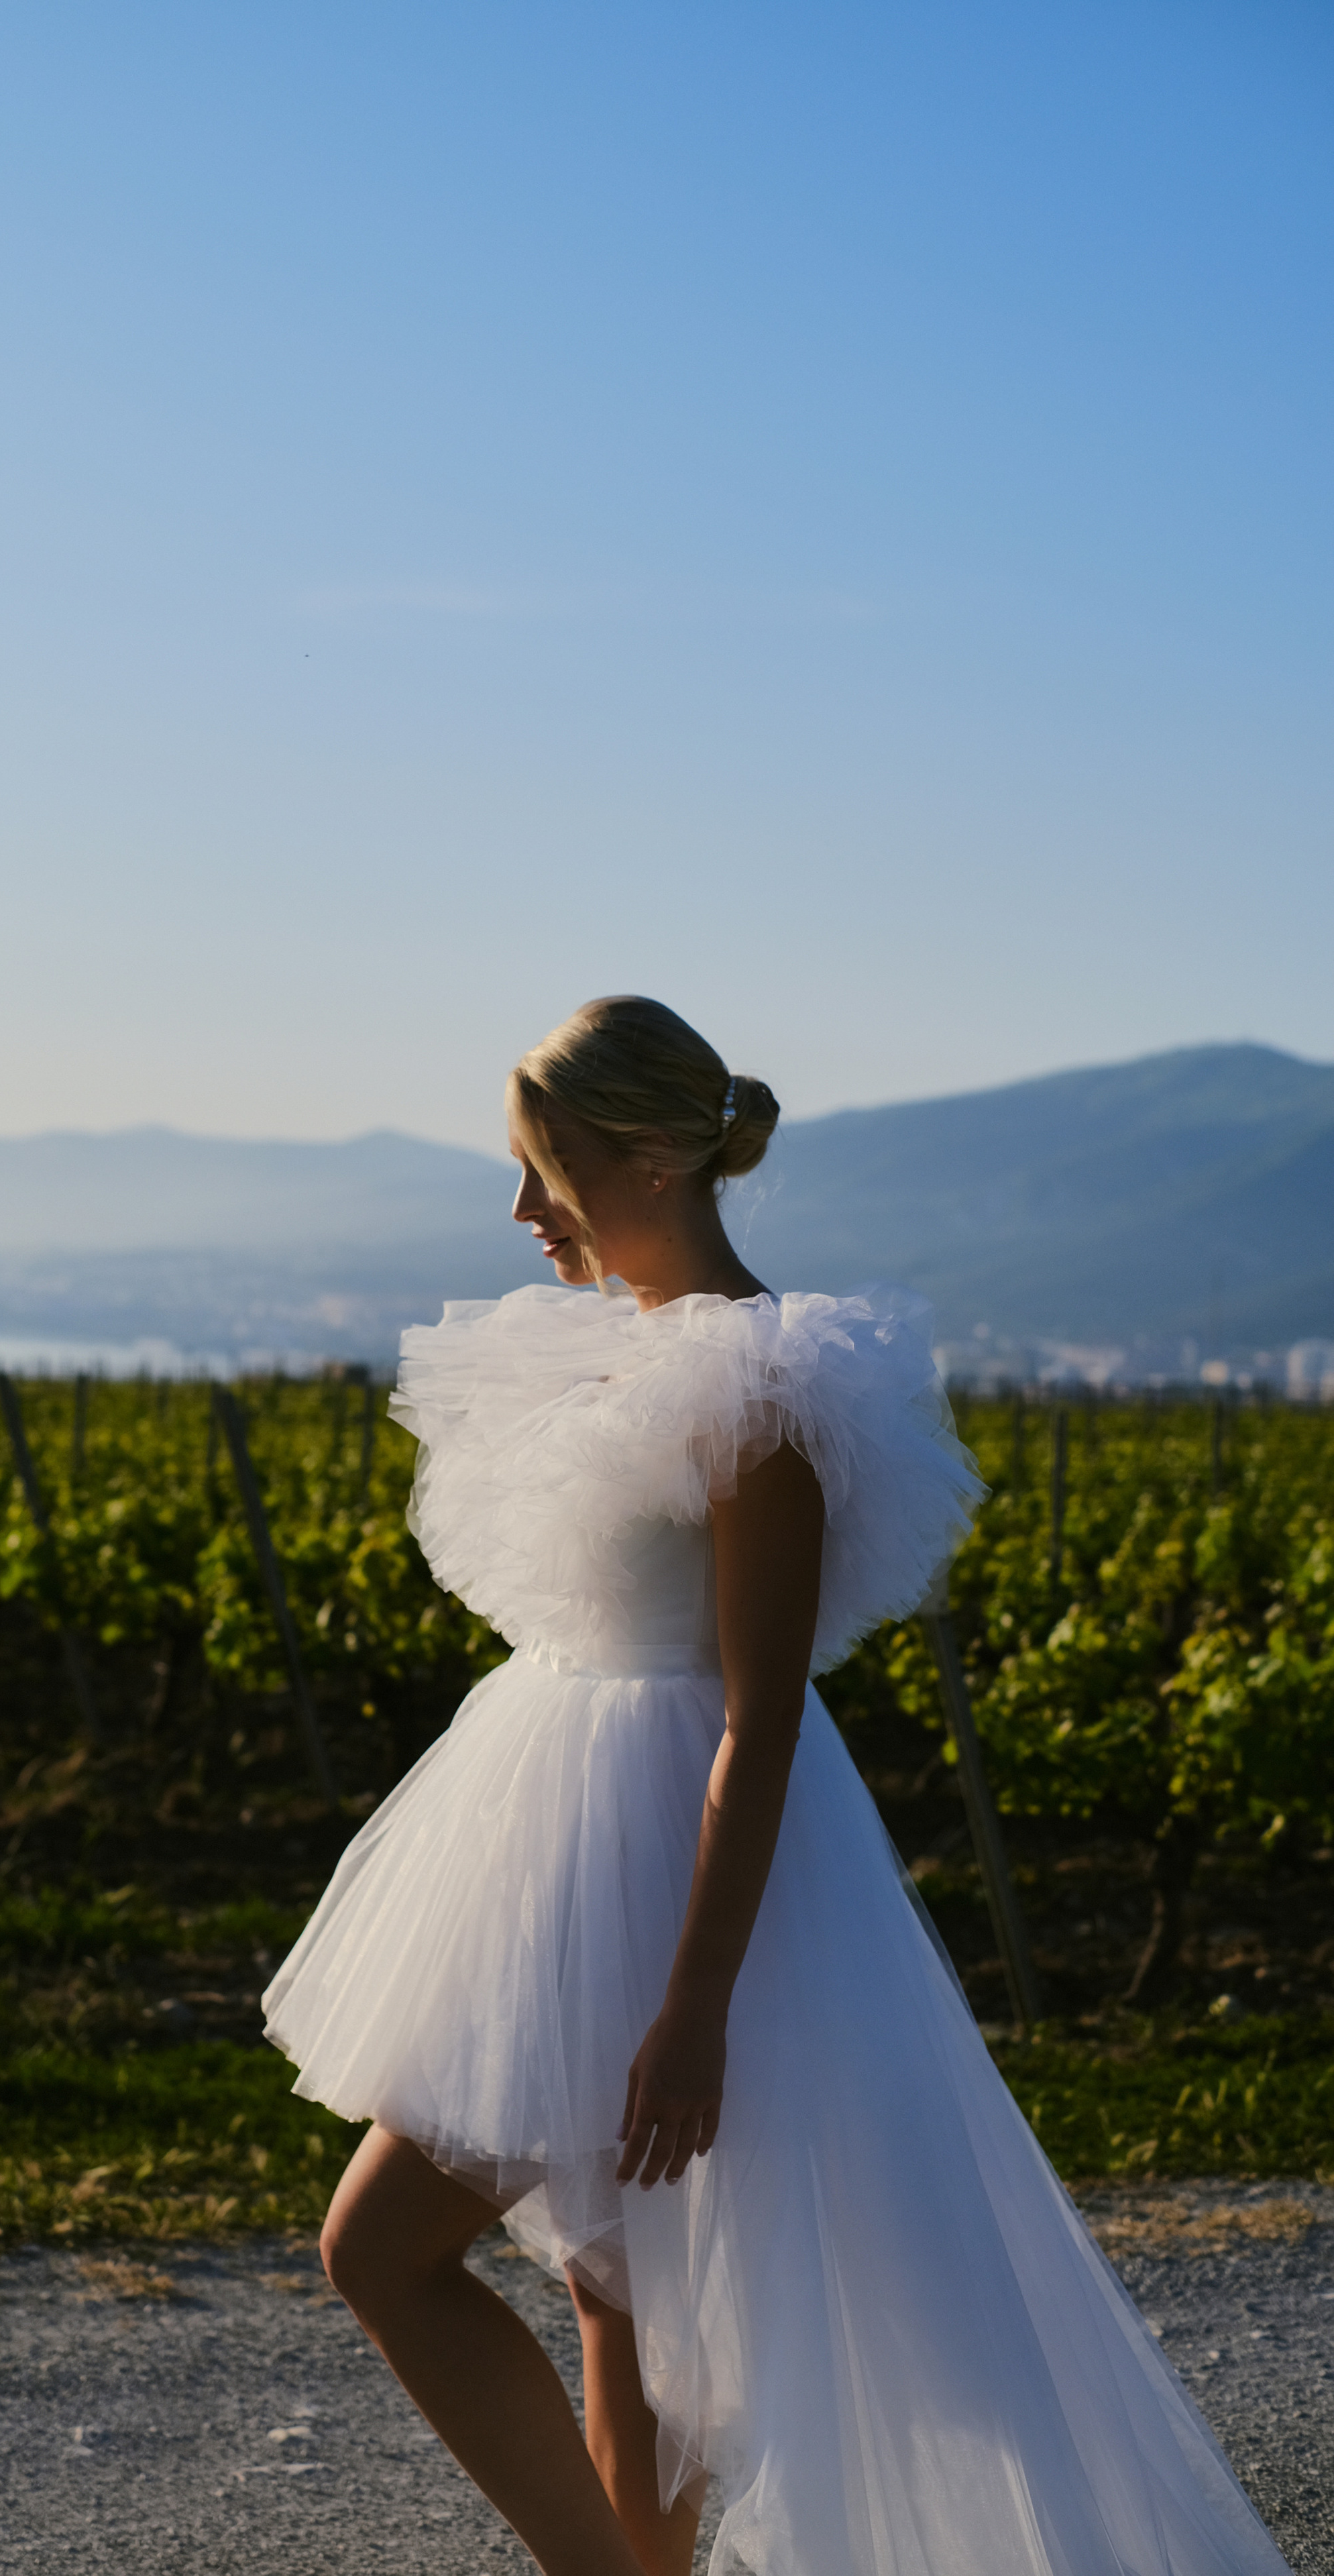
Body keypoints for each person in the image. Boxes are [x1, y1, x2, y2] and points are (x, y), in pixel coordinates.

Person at [263, 996, 1288, 2576]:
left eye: (547, 1170)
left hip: (679, 1864)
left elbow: (761, 1713)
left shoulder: (763, 1399)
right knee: (618, 2294)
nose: (523, 1210)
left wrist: (694, 2008)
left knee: (383, 2251)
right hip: (547, 1838)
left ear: (656, 1161)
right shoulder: (608, 1355)